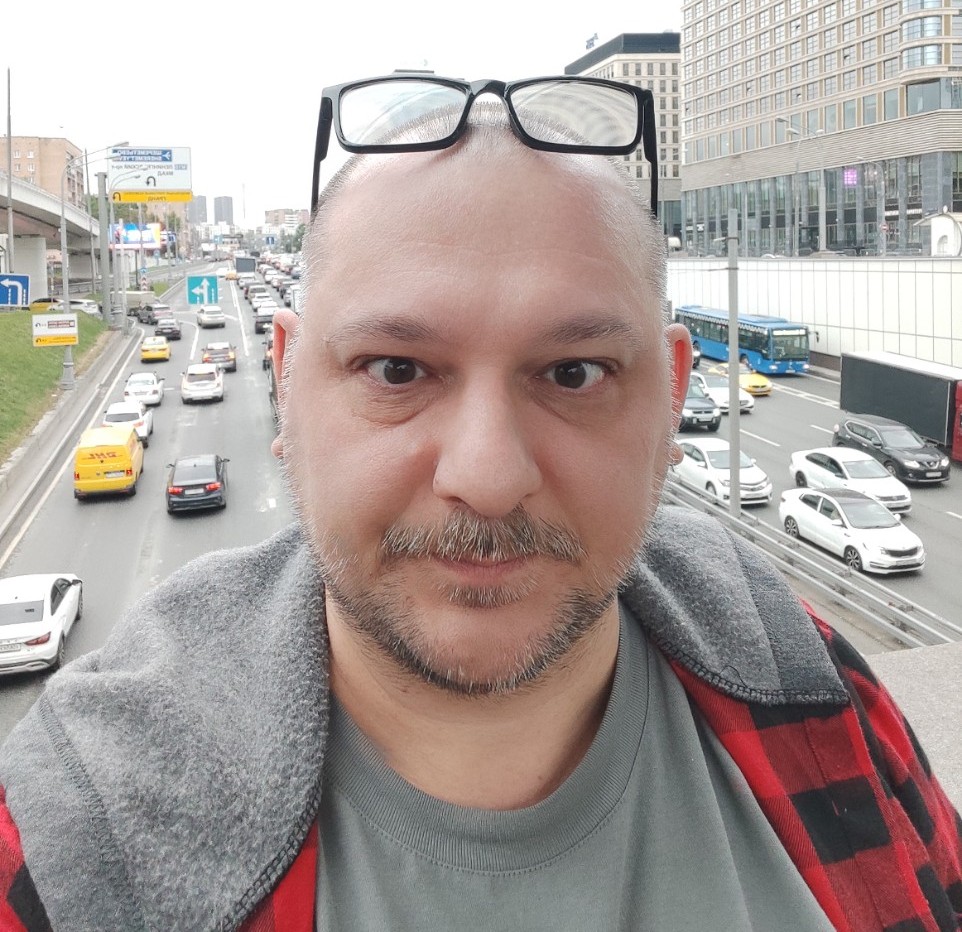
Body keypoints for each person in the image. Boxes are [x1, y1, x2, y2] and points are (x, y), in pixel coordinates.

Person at [1, 75, 960, 931]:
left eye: (574, 372)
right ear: (286, 384)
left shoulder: (810, 683)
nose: (489, 476)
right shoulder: (76, 837)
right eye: (397, 369)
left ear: (671, 398)